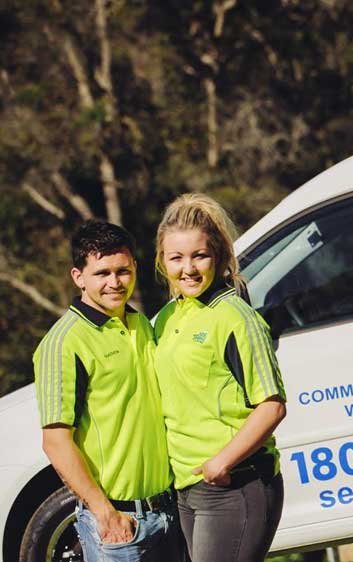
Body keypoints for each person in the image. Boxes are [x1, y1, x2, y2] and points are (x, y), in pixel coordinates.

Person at [32, 221, 178, 561]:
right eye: (102, 273)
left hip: (168, 512)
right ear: (78, 276)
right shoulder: (63, 343)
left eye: (123, 271)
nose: (115, 282)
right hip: (119, 526)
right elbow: (55, 441)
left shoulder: (140, 324)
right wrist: (104, 512)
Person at [153, 193, 287, 562]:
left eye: (200, 255)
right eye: (176, 257)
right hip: (187, 488)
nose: (188, 268)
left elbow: (272, 406)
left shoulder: (235, 318)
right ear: (162, 261)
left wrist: (221, 463)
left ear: (219, 257)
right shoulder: (167, 317)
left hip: (234, 484)